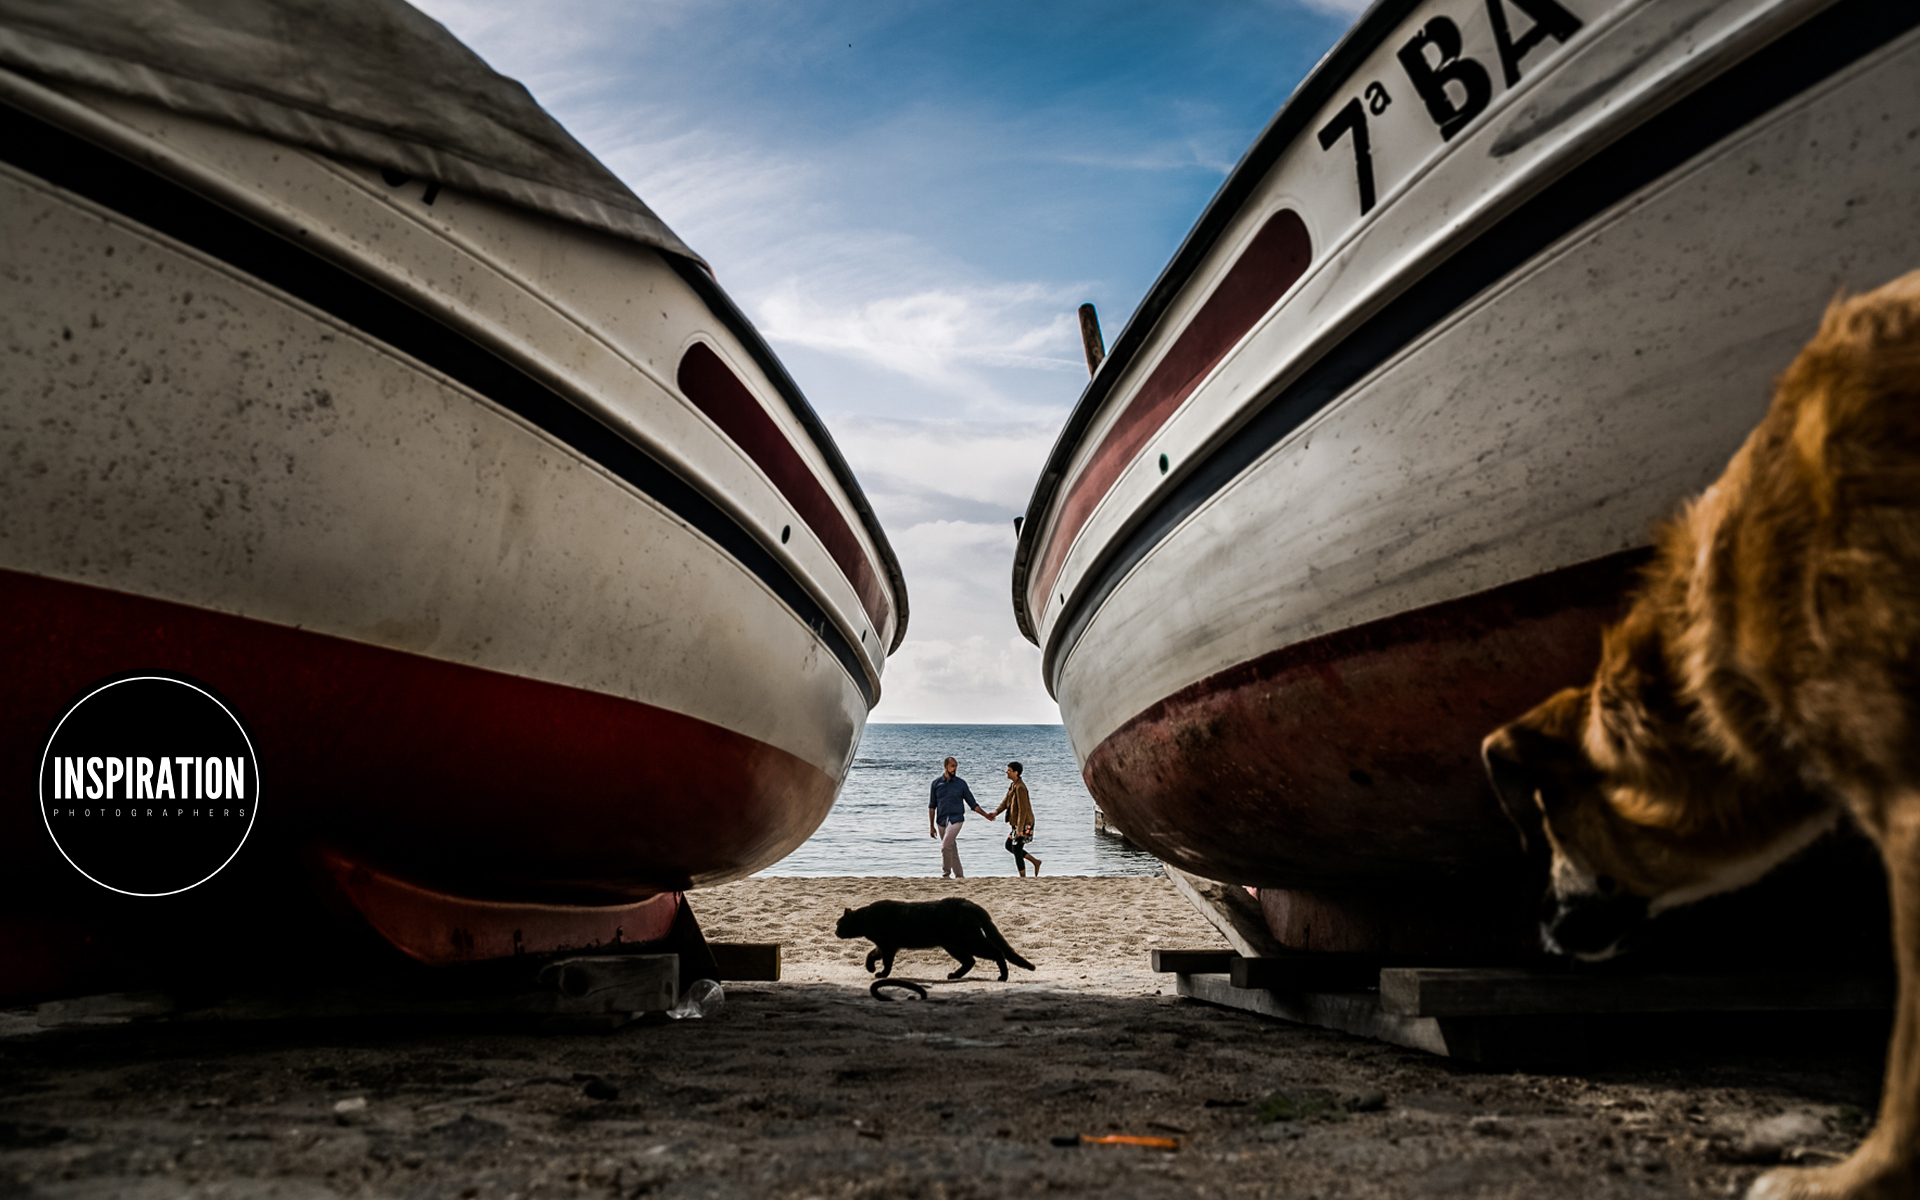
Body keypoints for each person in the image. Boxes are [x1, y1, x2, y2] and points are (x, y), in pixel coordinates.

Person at [928, 756, 988, 879]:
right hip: (941, 821)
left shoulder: (961, 784)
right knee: (951, 848)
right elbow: (932, 806)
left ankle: (945, 874)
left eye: (956, 766)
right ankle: (959, 876)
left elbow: (972, 803)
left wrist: (986, 815)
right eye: (952, 766)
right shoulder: (936, 784)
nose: (955, 769)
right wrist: (931, 826)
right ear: (946, 767)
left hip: (957, 820)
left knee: (945, 846)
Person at [987, 761, 1042, 876]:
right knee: (1009, 845)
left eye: (1009, 770)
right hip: (1017, 824)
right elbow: (1006, 801)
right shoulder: (1013, 785)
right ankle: (1035, 862)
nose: (1006, 772)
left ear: (1015, 773)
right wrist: (996, 812)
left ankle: (1023, 877)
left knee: (1016, 848)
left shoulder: (1020, 787)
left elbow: (1023, 810)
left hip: (1025, 823)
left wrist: (1020, 829)